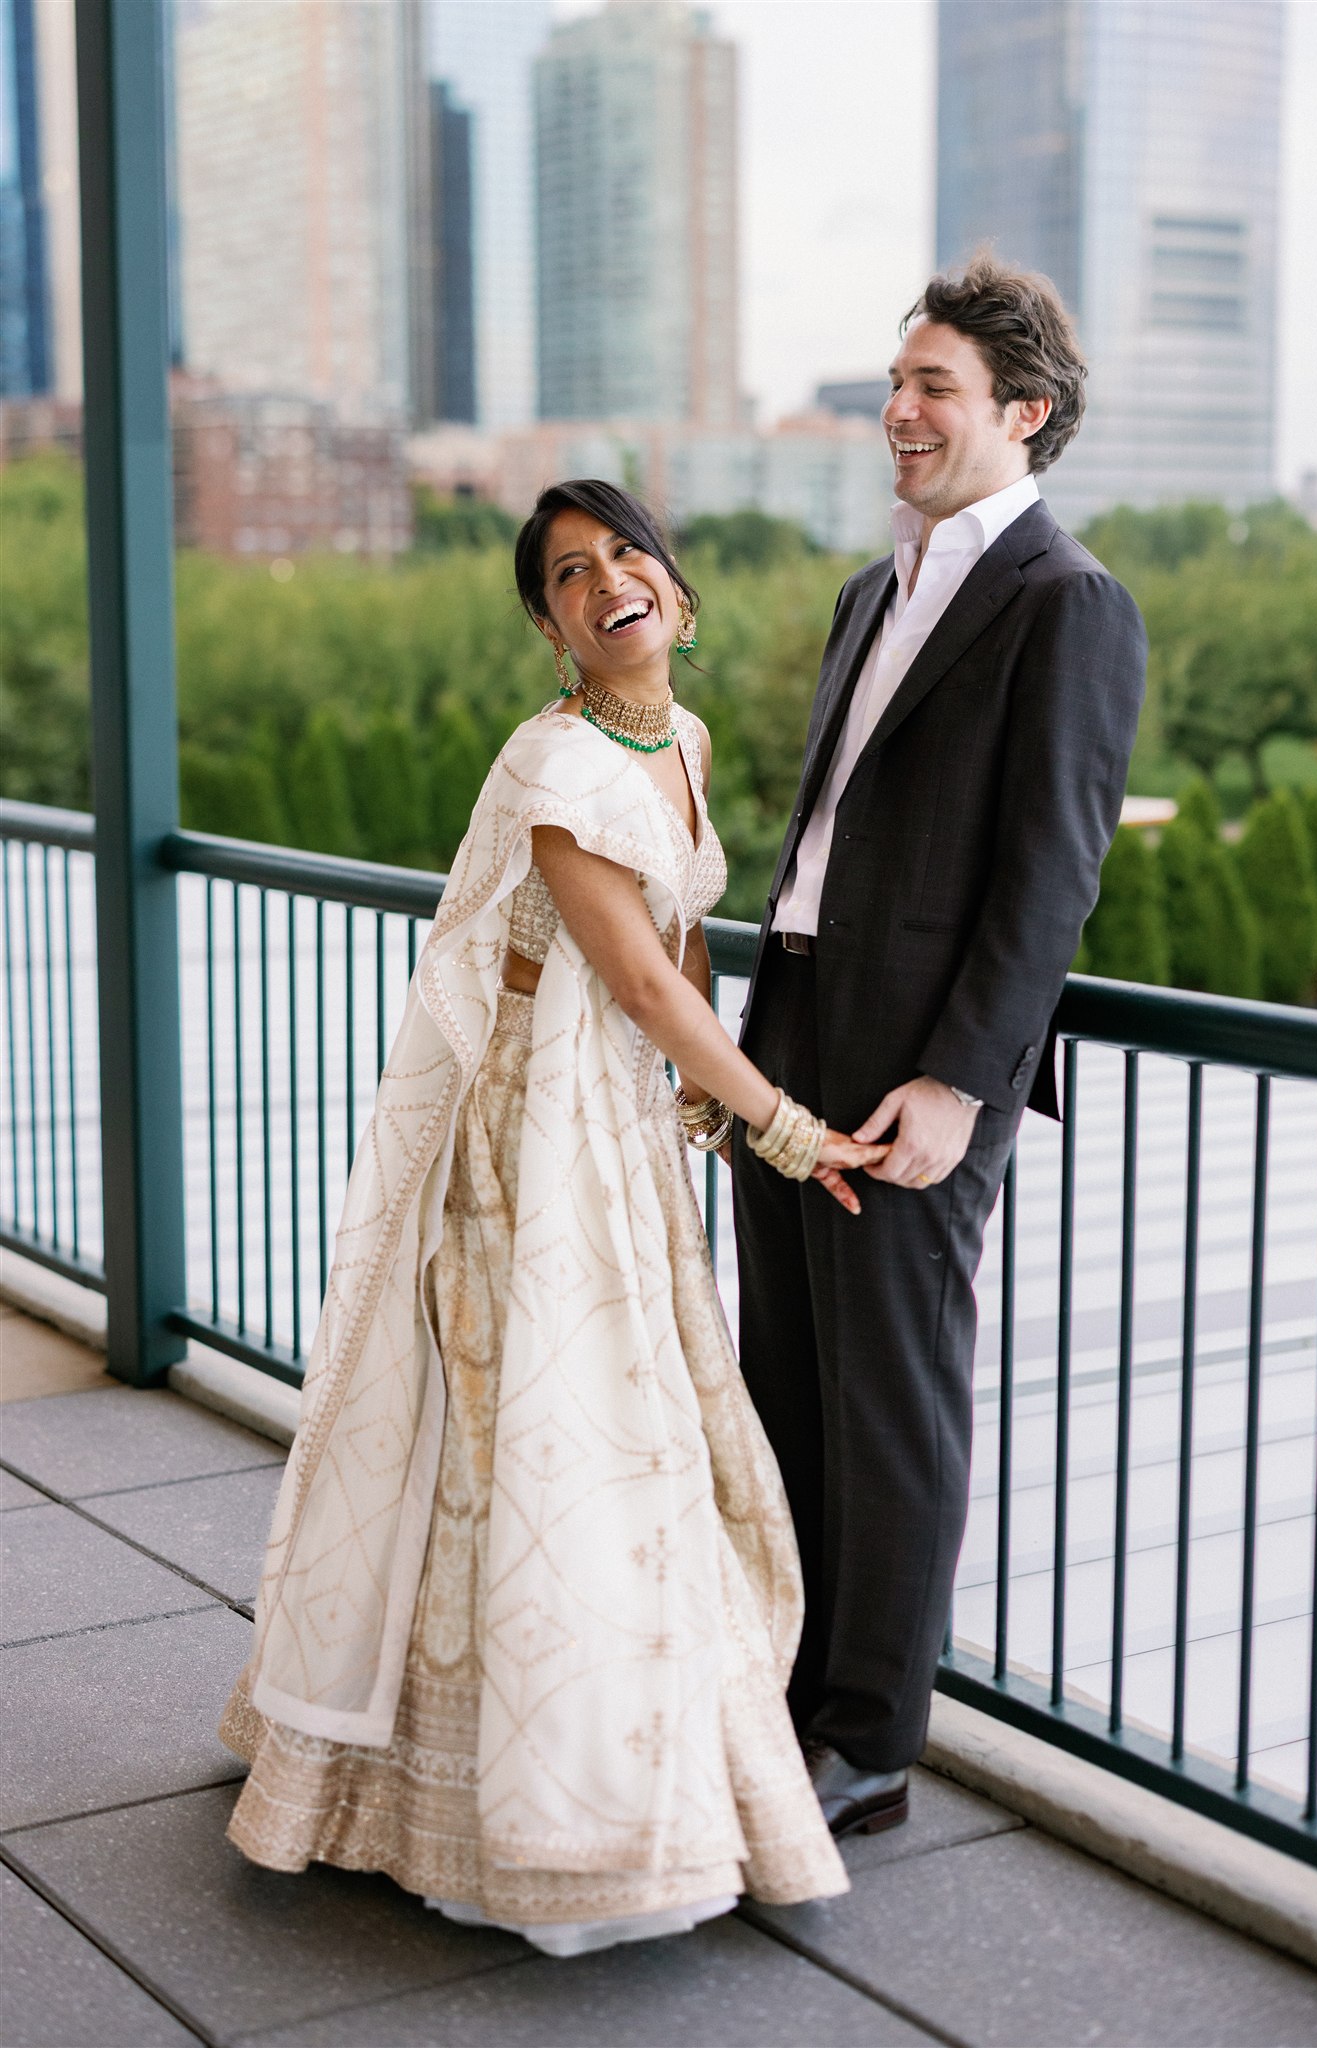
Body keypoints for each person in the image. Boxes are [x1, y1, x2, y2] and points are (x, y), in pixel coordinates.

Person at [220, 479, 883, 1956]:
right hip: (535, 1120)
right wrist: (775, 1123)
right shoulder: (556, 760)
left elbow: (680, 941)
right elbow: (631, 981)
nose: (606, 581)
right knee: (538, 1426)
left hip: (622, 1112)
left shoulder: (679, 741)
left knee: (619, 1419)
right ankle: (481, 1796)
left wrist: (699, 1097)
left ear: (676, 592)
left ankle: (631, 1762)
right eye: (569, 575)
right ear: (551, 627)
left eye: (626, 553)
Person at [733, 254, 1148, 1838]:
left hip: (914, 1067)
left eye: (934, 388)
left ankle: (868, 1742)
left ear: (1022, 413)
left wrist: (961, 1082)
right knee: (787, 1382)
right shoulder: (872, 589)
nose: (898, 412)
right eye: (896, 382)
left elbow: (1049, 874)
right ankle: (784, 1689)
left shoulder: (1066, 602)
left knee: (889, 1399)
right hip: (790, 1029)